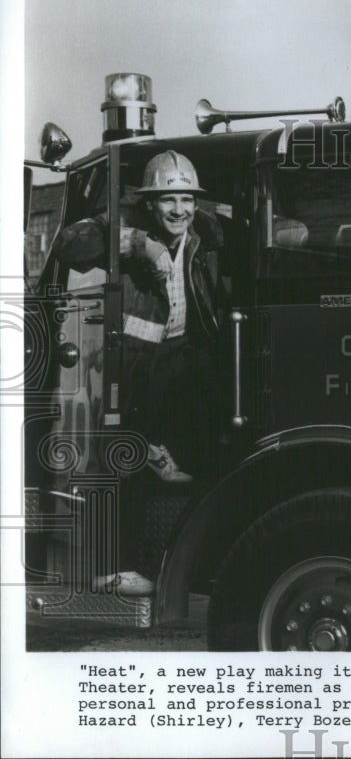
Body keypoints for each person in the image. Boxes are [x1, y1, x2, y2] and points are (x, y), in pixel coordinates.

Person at [52, 150, 229, 595]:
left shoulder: (203, 233)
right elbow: (69, 244)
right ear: (149, 203)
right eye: (168, 200)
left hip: (185, 362)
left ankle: (195, 563)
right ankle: (117, 567)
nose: (179, 210)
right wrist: (136, 244)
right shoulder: (127, 233)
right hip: (134, 367)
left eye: (187, 199)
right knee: (126, 453)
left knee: (206, 448)